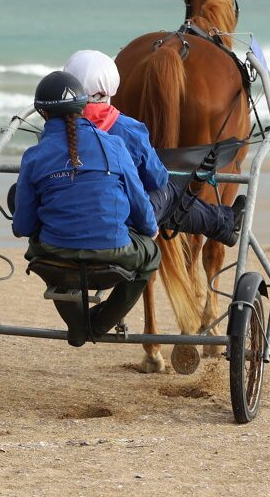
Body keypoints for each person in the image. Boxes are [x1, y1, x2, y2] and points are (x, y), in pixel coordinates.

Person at [12, 70, 160, 344]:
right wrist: (149, 231)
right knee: (151, 254)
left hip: (55, 256)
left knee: (47, 247)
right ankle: (99, 325)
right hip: (113, 253)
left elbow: (22, 226)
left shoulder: (33, 156)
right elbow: (141, 209)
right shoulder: (114, 145)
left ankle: (78, 325)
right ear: (83, 106)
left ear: (43, 113)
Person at [63, 49, 245, 245]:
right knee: (167, 191)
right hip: (115, 227)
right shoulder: (129, 130)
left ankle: (223, 223)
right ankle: (222, 223)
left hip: (62, 228)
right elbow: (157, 177)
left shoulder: (54, 131)